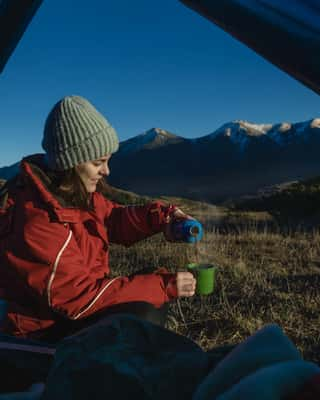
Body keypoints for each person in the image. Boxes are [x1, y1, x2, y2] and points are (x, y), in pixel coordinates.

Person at [0, 95, 197, 342]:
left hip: (73, 311)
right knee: (144, 311)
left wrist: (162, 218)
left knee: (148, 286)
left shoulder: (67, 192)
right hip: (44, 332)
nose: (106, 171)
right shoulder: (37, 222)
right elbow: (77, 299)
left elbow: (112, 218)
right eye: (98, 163)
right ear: (71, 163)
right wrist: (164, 286)